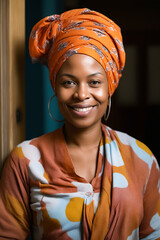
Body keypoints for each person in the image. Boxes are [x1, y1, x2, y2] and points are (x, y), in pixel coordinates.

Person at [0, 8, 160, 240]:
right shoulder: (24, 161)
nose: (82, 94)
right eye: (69, 82)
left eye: (94, 82)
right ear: (55, 85)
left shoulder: (141, 158)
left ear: (110, 86)